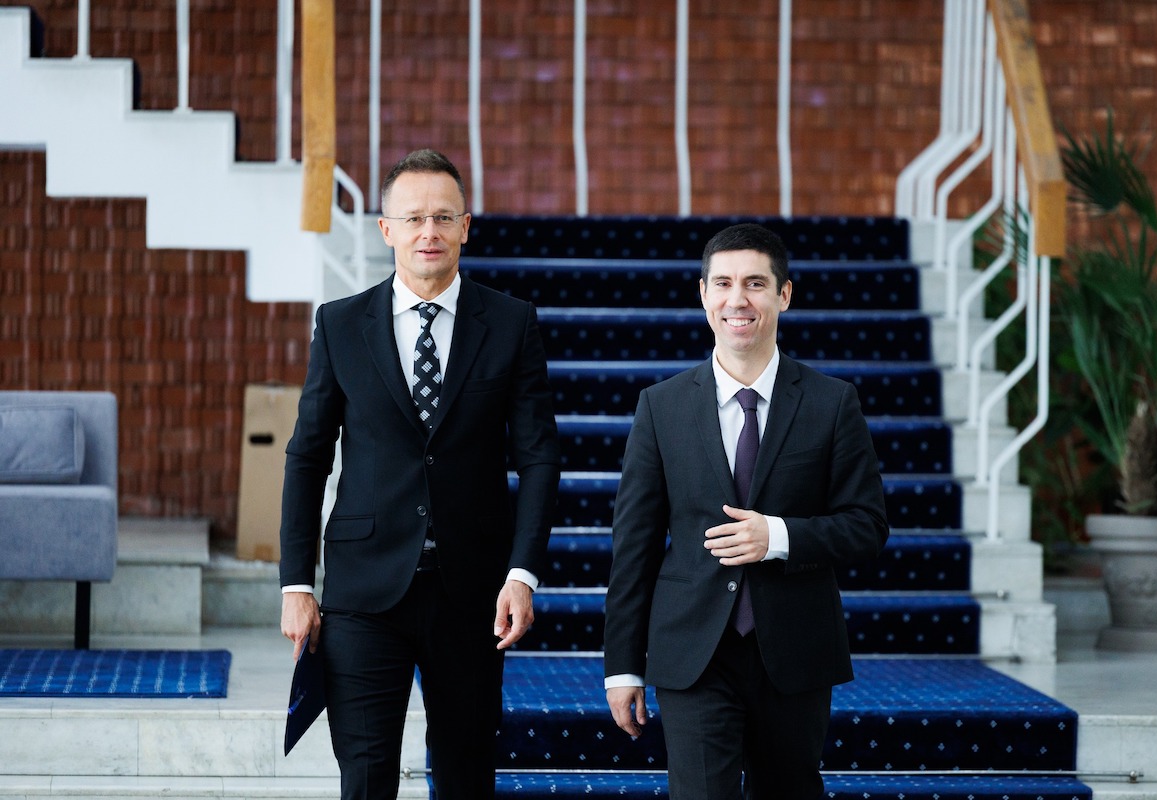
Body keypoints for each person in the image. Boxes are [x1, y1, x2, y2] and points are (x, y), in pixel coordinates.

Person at [279, 148, 560, 800]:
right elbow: (307, 455)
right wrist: (296, 583)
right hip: (363, 591)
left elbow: (539, 457)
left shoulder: (511, 323)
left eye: (442, 217)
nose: (427, 232)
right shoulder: (340, 324)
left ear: (466, 226)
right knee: (366, 776)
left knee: (465, 774)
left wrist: (522, 573)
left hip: (473, 593)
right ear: (386, 229)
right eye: (413, 219)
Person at [603, 222, 890, 799]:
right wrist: (623, 665)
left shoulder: (833, 402)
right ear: (703, 294)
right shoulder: (660, 407)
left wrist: (778, 536)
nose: (738, 299)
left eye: (756, 284)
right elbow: (634, 545)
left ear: (784, 295)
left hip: (796, 651)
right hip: (693, 652)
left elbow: (867, 526)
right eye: (724, 283)